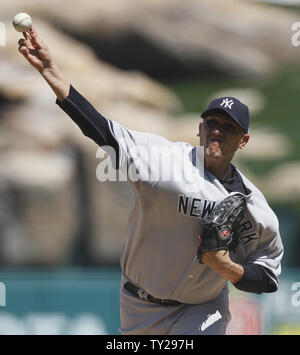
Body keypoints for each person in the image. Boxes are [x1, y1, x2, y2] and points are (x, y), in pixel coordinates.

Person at [18, 27, 283, 335]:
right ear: (200, 128)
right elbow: (101, 130)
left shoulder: (254, 207)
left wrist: (227, 268)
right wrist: (52, 72)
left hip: (202, 309)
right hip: (138, 306)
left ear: (244, 140)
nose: (218, 131)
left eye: (229, 127)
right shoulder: (162, 161)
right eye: (212, 122)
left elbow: (267, 277)